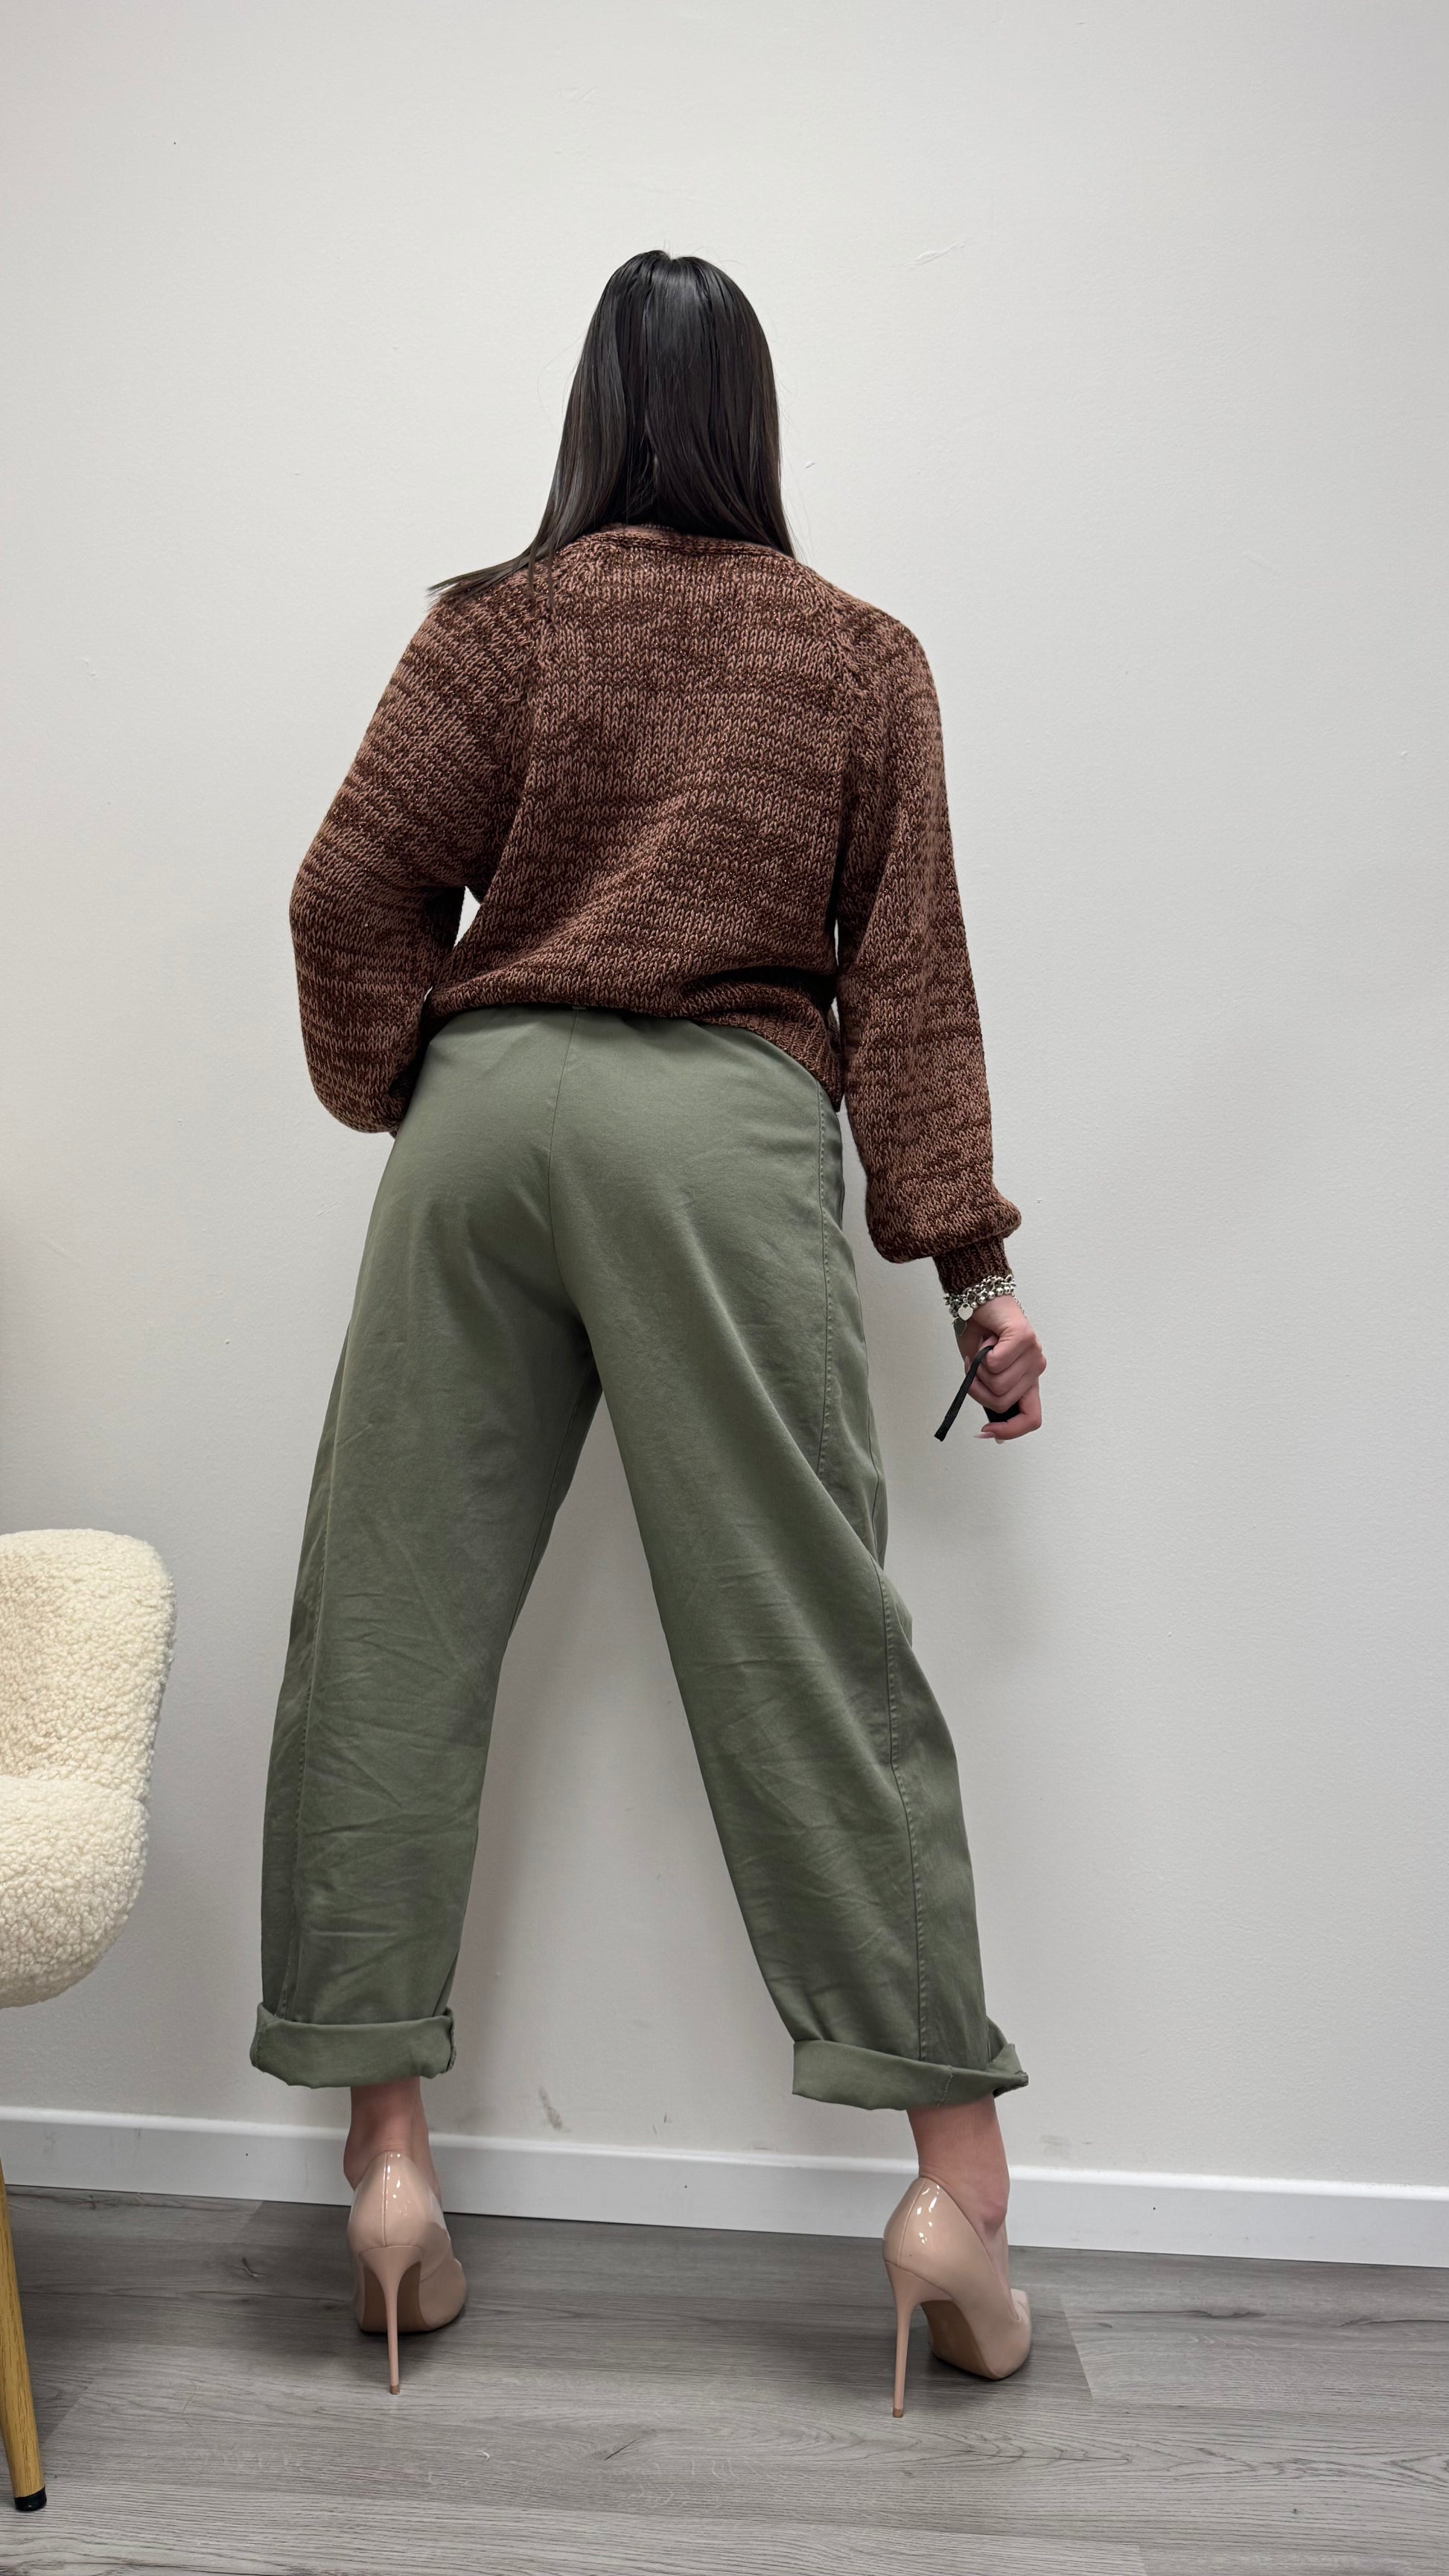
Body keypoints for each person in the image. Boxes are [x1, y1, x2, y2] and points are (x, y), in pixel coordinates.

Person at [252, 249, 1048, 2413]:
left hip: (484, 1122)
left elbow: (345, 893)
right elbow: (910, 986)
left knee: (388, 1627)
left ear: (593, 412)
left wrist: (413, 1086)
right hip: (718, 1129)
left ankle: (388, 2174)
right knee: (808, 1645)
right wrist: (970, 1274)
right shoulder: (858, 655)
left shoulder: (494, 626)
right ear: (753, 418)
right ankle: (954, 2203)